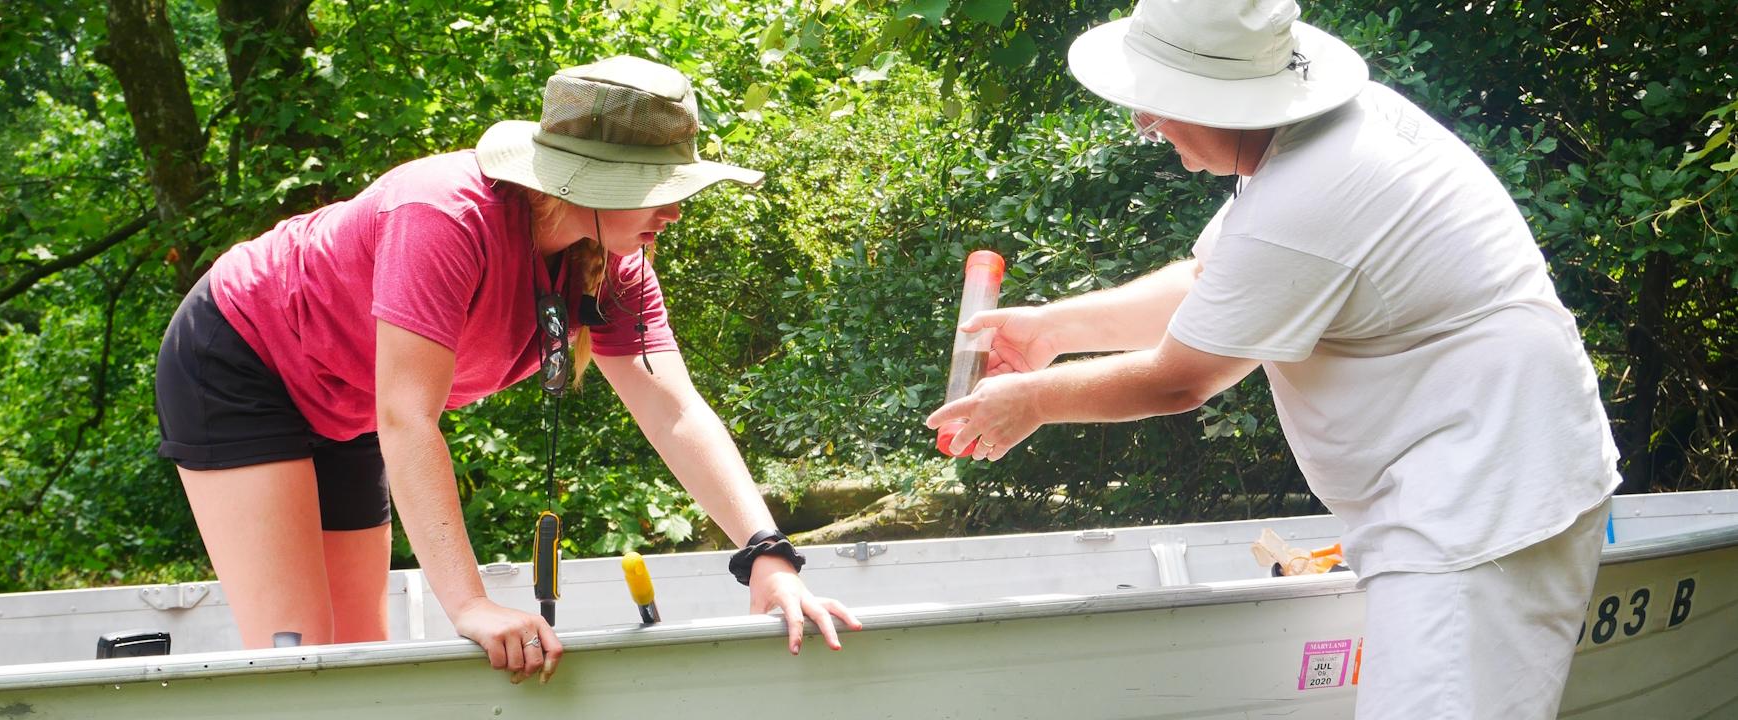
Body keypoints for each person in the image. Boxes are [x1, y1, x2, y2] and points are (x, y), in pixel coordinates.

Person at [925, 0, 1617, 717]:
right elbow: (1214, 285)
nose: (1144, 122)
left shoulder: (1311, 191)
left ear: (1225, 99)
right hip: (1476, 476)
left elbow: (1180, 379)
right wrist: (1052, 329)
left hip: (1480, 496)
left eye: (1158, 102)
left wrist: (1034, 400)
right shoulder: (1320, 137)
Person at [156, 56, 859, 685]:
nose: (675, 211)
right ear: (591, 182)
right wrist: (470, 604)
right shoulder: (444, 218)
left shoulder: (617, 266)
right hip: (244, 360)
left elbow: (673, 410)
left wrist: (768, 555)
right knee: (301, 659)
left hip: (351, 401)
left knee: (359, 659)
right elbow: (407, 417)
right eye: (657, 188)